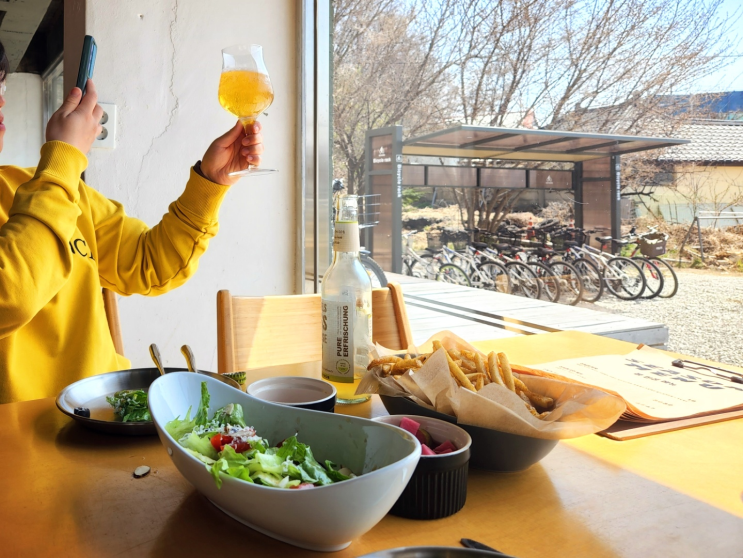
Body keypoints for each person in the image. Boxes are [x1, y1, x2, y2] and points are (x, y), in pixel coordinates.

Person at [0, 42, 264, 404]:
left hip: (102, 416)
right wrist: (63, 160)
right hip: (20, 441)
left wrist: (209, 181)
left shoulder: (47, 186)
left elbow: (151, 264)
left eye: (0, 87)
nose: (1, 102)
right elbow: (11, 295)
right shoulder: (54, 182)